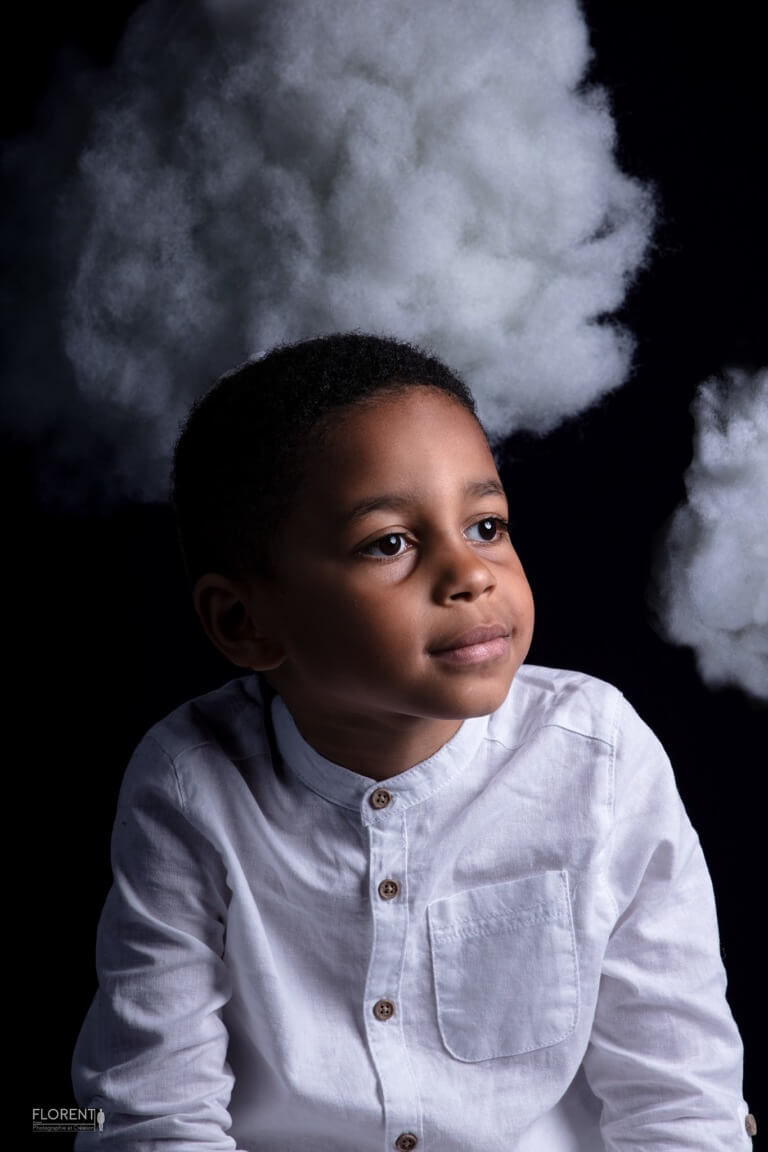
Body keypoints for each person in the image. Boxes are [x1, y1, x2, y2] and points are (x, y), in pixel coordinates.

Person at [72, 332, 753, 1150]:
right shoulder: (188, 787)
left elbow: (679, 1099)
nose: (470, 573)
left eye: (487, 524)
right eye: (389, 542)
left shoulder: (600, 756)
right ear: (243, 622)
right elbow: (153, 1116)